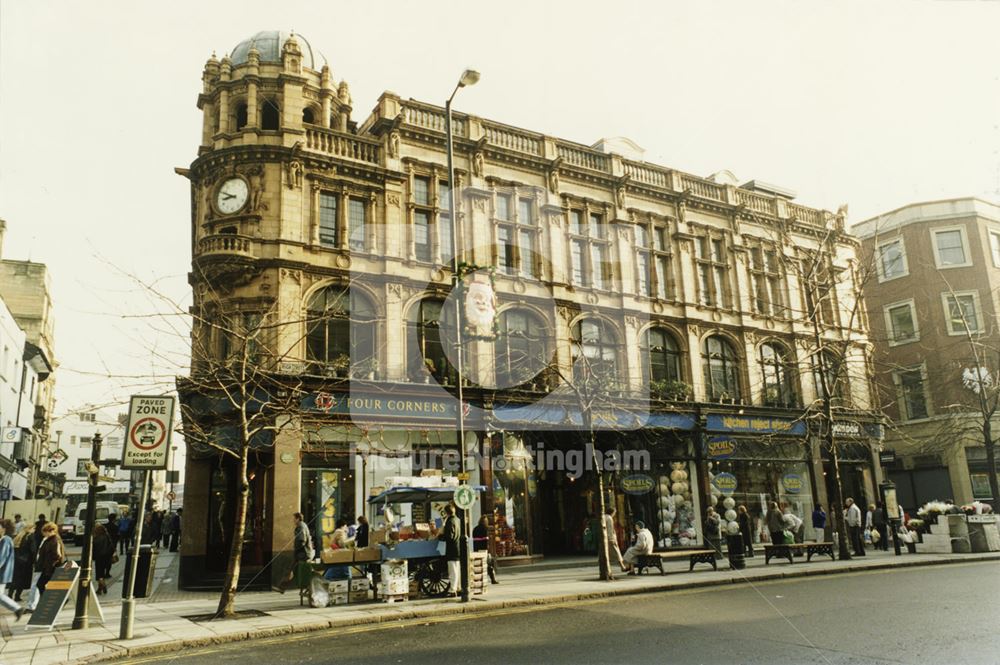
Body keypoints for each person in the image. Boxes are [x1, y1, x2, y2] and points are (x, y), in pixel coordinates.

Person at [276, 512, 314, 593]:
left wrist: (297, 549)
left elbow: (301, 540)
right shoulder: (303, 525)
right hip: (304, 552)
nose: (293, 520)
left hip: (302, 553)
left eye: (294, 518)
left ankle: (282, 587)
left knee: (291, 570)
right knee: (296, 571)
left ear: (297, 519)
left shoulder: (300, 526)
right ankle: (283, 587)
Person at [0, 520, 24, 621]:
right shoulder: (4, 540)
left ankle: (17, 608)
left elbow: (1, 558)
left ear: (4, 529)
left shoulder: (5, 540)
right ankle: (17, 608)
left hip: (2, 573)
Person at [35, 522, 64, 598]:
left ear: (51, 531)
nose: (44, 534)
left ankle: (46, 599)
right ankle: (47, 599)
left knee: (41, 584)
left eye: (45, 532)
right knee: (42, 584)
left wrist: (52, 565)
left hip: (51, 568)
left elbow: (57, 555)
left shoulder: (54, 540)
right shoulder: (49, 540)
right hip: (47, 567)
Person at [438, 504, 462, 597]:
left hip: (452, 549)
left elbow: (450, 536)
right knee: (457, 570)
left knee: (453, 571)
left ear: (447, 512)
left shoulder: (450, 521)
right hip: (458, 548)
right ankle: (459, 588)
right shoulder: (458, 520)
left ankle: (453, 590)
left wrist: (441, 537)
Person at [11, 525, 36, 602]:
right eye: (33, 528)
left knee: (15, 578)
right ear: (30, 529)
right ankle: (17, 596)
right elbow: (33, 550)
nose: (34, 530)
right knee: (23, 579)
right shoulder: (30, 537)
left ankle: (10, 594)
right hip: (26, 561)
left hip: (17, 561)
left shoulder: (19, 537)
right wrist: (34, 560)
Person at [472, 516, 499, 584]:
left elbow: (474, 540)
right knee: (489, 565)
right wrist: (488, 550)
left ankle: (478, 579)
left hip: (477, 549)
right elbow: (486, 541)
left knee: (478, 565)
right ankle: (493, 579)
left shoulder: (475, 529)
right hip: (484, 549)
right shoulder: (485, 529)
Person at [92, 523, 116, 595]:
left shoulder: (96, 539)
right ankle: (99, 589)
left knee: (99, 574)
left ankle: (103, 585)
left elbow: (94, 549)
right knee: (102, 573)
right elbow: (112, 546)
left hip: (99, 558)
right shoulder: (106, 536)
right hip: (107, 557)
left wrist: (93, 557)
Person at [601, 508, 625, 572]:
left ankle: (607, 569)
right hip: (610, 538)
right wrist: (611, 538)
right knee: (616, 553)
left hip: (604, 538)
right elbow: (610, 529)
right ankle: (622, 566)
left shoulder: (603, 517)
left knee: (607, 554)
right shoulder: (609, 518)